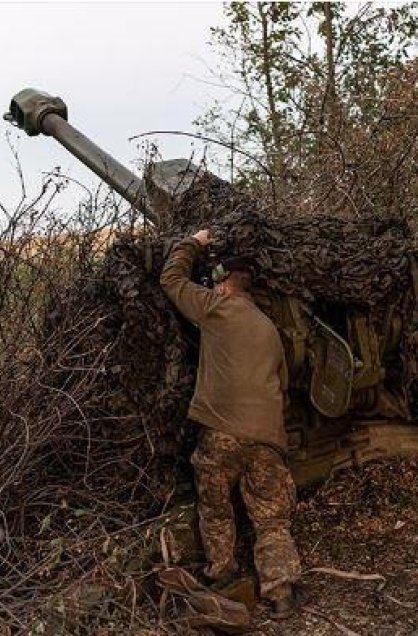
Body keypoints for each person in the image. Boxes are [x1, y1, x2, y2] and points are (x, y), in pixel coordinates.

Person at [160, 228, 302, 619]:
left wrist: (194, 242)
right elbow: (283, 386)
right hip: (268, 437)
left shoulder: (215, 308)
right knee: (272, 518)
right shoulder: (270, 330)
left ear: (223, 284)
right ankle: (281, 592)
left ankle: (223, 575)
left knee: (216, 507)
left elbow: (170, 279)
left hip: (221, 434)